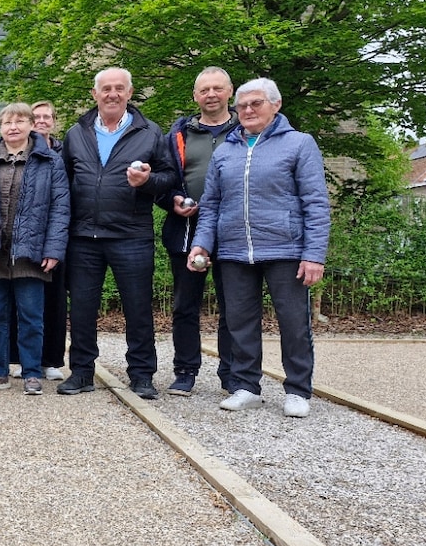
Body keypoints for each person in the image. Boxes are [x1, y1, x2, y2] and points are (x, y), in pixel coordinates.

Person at [189, 77, 330, 418]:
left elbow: (315, 203)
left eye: (256, 103)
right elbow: (211, 205)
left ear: (275, 105)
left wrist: (314, 254)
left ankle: (298, 390)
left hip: (286, 249)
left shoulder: (299, 144)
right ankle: (246, 386)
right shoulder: (225, 151)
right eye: (242, 106)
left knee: (294, 323)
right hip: (234, 251)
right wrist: (201, 245)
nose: (248, 110)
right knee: (239, 323)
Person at [59, 67, 175, 400]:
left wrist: (148, 181)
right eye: (106, 88)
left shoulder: (149, 132)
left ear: (129, 93)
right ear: (94, 94)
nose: (112, 94)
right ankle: (81, 372)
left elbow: (169, 178)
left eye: (119, 88)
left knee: (138, 308)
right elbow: (63, 182)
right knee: (82, 309)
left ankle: (141, 375)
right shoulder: (76, 133)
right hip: (84, 236)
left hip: (131, 234)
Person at [0, 103, 70, 395]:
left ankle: (32, 373)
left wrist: (53, 250)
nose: (13, 127)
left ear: (31, 125)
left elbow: (60, 208)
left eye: (20, 121)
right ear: (0, 127)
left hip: (30, 253)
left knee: (31, 316)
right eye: (7, 122)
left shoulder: (50, 162)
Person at [161, 68, 239, 396]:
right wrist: (172, 200)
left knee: (233, 306)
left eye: (217, 88)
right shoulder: (178, 134)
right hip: (187, 231)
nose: (211, 95)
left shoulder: (246, 130)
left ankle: (232, 373)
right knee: (184, 306)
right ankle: (185, 371)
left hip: (234, 231)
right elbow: (164, 179)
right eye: (204, 90)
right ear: (195, 96)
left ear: (230, 92)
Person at [29, 100, 67, 383]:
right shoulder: (21, 151)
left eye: (46, 117)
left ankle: (51, 359)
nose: (41, 121)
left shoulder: (65, 153)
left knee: (54, 301)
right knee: (24, 301)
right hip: (27, 237)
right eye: (36, 117)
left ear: (53, 121)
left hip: (56, 234)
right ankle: (21, 357)